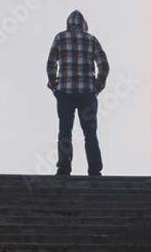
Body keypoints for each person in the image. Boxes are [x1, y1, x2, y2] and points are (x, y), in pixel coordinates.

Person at [46, 10, 109, 176]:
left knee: (65, 131)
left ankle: (64, 169)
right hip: (87, 94)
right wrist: (97, 87)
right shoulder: (91, 39)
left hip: (65, 93)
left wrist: (54, 86)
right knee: (90, 134)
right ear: (84, 26)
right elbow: (103, 64)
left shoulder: (60, 37)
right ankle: (95, 170)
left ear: (68, 24)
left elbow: (51, 63)